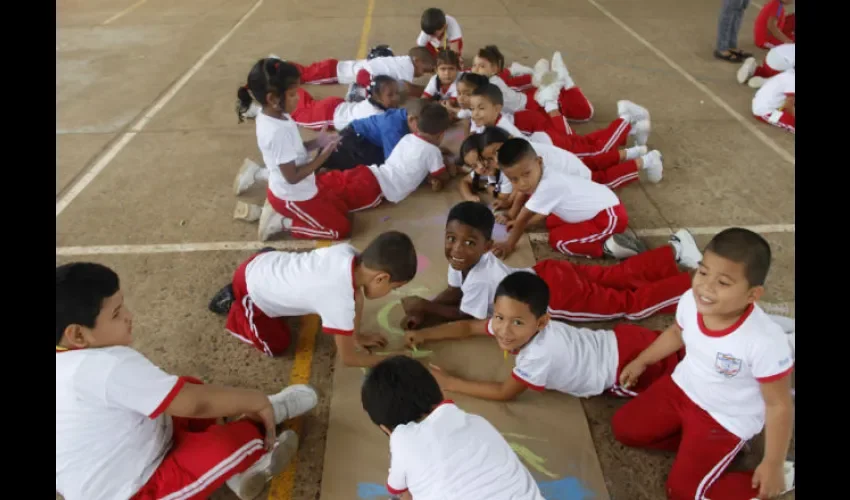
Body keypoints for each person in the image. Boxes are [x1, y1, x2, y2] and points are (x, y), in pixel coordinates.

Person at [56, 262, 319, 500]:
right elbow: (195, 405)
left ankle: (239, 470)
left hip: (127, 456)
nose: (128, 315)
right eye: (116, 313)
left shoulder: (69, 360)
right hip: (137, 490)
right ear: (78, 334)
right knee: (231, 440)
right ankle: (261, 426)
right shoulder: (105, 366)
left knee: (186, 387)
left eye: (122, 305)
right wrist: (257, 399)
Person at [612, 228, 795, 500]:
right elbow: (677, 333)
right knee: (624, 428)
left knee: (683, 493)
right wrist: (642, 361)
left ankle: (783, 475)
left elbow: (779, 404)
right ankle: (706, 452)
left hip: (725, 419)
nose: (705, 287)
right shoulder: (691, 300)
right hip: (682, 388)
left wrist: (773, 463)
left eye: (723, 282)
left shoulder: (764, 342)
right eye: (703, 272)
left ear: (752, 295)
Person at [400, 201, 701, 329]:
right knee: (615, 275)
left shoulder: (478, 276)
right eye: (451, 238)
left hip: (554, 298)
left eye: (468, 242)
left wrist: (426, 309)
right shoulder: (460, 260)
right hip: (546, 271)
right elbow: (453, 293)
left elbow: (465, 316)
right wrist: (423, 308)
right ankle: (674, 251)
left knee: (628, 304)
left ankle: (697, 284)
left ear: (488, 246)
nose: (456, 248)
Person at [406, 271, 686, 402]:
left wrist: (449, 383)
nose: (503, 330)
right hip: (626, 341)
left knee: (693, 379)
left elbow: (505, 392)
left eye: (516, 322)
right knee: (691, 346)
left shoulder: (539, 355)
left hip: (623, 367)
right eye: (500, 317)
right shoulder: (517, 325)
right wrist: (426, 335)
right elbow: (468, 327)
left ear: (542, 322)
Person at [207, 231, 418, 367]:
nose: (391, 292)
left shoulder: (349, 253)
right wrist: (393, 360)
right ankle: (234, 304)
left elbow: (357, 295)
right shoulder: (338, 298)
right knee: (278, 345)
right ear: (382, 278)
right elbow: (350, 359)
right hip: (250, 289)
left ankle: (261, 273)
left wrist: (357, 336)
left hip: (267, 262)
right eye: (394, 287)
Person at [361, 355, 544, 499]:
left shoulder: (402, 441)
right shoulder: (477, 421)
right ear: (438, 391)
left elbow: (395, 487)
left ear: (386, 429)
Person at [491, 139, 634, 260]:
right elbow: (528, 216)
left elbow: (522, 219)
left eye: (526, 174)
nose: (522, 183)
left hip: (610, 216)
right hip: (601, 207)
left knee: (559, 241)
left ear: (539, 162)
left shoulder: (548, 185)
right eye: (514, 179)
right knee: (552, 221)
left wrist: (509, 245)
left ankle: (609, 247)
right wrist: (521, 223)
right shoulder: (541, 173)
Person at [468, 84, 651, 161]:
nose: (475, 113)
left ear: (497, 109)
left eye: (481, 108)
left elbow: (522, 149)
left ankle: (625, 118)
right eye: (473, 108)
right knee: (587, 142)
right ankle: (634, 128)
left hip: (553, 147)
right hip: (547, 139)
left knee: (598, 152)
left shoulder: (503, 127)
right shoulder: (483, 122)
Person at [288, 74, 401, 132]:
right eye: (390, 95)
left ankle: (288, 90)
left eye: (396, 93)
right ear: (377, 97)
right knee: (298, 116)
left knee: (306, 103)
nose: (396, 97)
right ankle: (284, 91)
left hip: (337, 105)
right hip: (328, 116)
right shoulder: (378, 116)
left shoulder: (373, 100)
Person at [751, 68, 794, 134]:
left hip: (775, 105)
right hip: (765, 112)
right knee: (792, 123)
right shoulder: (792, 80)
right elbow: (789, 105)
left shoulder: (789, 73)